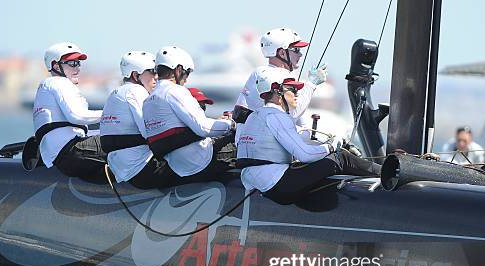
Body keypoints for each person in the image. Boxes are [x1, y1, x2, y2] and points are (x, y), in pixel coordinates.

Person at [236, 68, 381, 205]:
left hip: (259, 182)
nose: (297, 93)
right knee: (340, 157)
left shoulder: (254, 116)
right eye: (292, 89)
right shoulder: (277, 116)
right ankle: (387, 173)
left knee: (310, 163)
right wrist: (331, 147)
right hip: (280, 186)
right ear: (277, 91)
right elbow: (305, 154)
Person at [142, 46, 236, 185]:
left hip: (177, 167)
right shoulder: (175, 91)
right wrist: (232, 124)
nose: (186, 79)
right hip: (199, 162)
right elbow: (203, 128)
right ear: (178, 70)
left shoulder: (148, 100)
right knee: (247, 142)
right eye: (187, 72)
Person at [99, 51, 182, 189]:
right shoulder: (136, 91)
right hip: (143, 169)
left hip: (123, 168)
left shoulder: (116, 93)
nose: (157, 77)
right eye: (152, 72)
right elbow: (149, 130)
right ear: (135, 75)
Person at [33, 42, 104, 178]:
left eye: (78, 63)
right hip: (71, 151)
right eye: (72, 63)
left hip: (61, 156)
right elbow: (77, 116)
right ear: (55, 66)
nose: (77, 67)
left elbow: (72, 126)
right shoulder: (59, 82)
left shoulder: (47, 86)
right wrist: (112, 115)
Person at [233, 27, 327, 127]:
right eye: (296, 50)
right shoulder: (267, 75)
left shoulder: (265, 73)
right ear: (282, 53)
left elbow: (299, 121)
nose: (300, 54)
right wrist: (312, 83)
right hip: (261, 137)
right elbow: (293, 113)